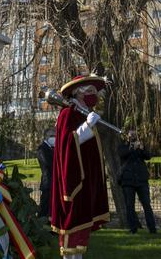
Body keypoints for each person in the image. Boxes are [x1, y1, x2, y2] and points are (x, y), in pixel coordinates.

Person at [51, 75, 110, 258]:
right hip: (74, 181)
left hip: (87, 182)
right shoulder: (68, 113)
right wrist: (87, 126)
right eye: (91, 92)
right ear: (79, 93)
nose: (95, 96)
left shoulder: (84, 112)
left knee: (82, 232)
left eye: (95, 92)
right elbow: (67, 144)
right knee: (72, 229)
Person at [118, 129, 157, 234]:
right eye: (131, 135)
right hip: (128, 181)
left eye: (135, 135)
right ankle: (133, 228)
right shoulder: (123, 147)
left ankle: (152, 228)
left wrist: (142, 148)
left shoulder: (140, 146)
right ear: (127, 136)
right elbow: (122, 154)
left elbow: (148, 156)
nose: (133, 137)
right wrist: (132, 148)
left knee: (146, 204)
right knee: (130, 205)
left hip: (141, 180)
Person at [37, 127, 56, 218]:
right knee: (44, 207)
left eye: (55, 135)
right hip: (48, 182)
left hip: (54, 182)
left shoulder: (53, 148)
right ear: (45, 137)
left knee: (51, 208)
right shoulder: (42, 149)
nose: (54, 137)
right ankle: (40, 225)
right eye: (51, 135)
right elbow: (48, 163)